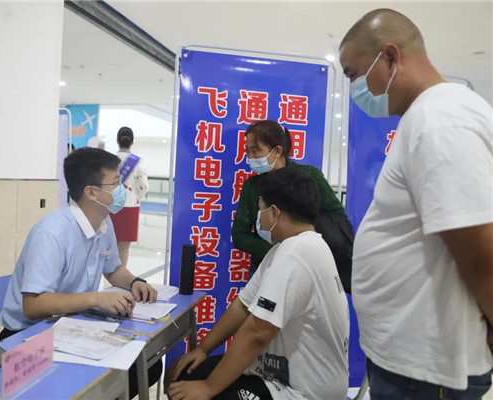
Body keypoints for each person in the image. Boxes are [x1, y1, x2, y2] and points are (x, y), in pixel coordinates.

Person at [339, 8, 493, 398]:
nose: (353, 88)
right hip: (412, 361)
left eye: (353, 74)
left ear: (390, 57)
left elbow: (481, 253)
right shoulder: (427, 116)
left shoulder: (440, 120)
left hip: (428, 368)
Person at [165, 166, 349, 400]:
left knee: (197, 392)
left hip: (302, 391)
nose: (258, 218)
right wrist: (203, 349)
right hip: (276, 373)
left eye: (261, 209)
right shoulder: (288, 248)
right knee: (184, 374)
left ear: (275, 212)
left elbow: (258, 332)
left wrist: (209, 387)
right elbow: (243, 305)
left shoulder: (296, 254)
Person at [0, 147, 161, 398]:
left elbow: (113, 269)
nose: (122, 190)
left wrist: (133, 282)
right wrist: (96, 299)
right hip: (28, 336)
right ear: (92, 192)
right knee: (118, 377)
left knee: (148, 364)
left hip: (71, 326)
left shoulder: (103, 222)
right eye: (115, 184)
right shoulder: (52, 233)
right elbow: (33, 304)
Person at [232, 119, 354, 293]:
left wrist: (304, 249)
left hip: (307, 265)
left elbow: (336, 217)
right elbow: (239, 234)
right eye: (247, 151)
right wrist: (277, 253)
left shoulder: (309, 176)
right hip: (266, 265)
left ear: (277, 151)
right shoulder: (252, 186)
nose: (250, 157)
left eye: (255, 150)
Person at [110, 127, 149, 267]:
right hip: (130, 206)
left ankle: (108, 276)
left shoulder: (109, 160)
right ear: (132, 142)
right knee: (124, 247)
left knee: (110, 244)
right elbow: (143, 186)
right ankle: (120, 276)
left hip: (111, 205)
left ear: (117, 141)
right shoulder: (138, 162)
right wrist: (135, 196)